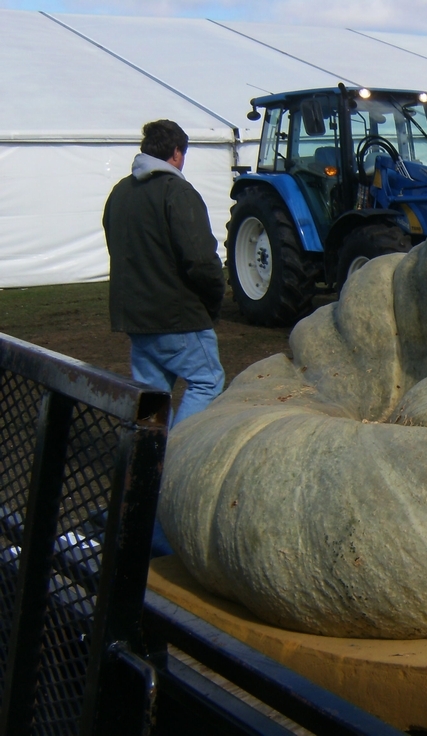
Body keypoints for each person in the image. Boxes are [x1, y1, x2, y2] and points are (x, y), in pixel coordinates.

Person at [103, 119, 226, 555]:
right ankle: (176, 465)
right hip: (178, 317)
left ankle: (145, 511)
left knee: (153, 405)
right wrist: (213, 298)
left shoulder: (120, 193)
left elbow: (118, 247)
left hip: (137, 319)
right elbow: (200, 259)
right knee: (208, 381)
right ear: (176, 153)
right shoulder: (177, 192)